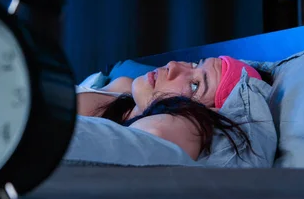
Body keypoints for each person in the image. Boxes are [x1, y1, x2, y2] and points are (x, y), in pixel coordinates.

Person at [76, 56, 264, 160]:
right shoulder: (124, 86)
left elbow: (155, 134)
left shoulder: (178, 128)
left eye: (194, 85)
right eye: (195, 64)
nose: (173, 65)